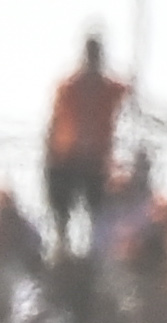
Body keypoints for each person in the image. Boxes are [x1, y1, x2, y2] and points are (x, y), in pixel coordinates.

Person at [42, 35, 128, 252]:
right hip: (67, 158)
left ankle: (92, 249)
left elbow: (128, 95)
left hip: (94, 160)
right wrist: (51, 151)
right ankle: (62, 247)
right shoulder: (69, 87)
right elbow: (55, 122)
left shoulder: (109, 88)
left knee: (96, 210)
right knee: (62, 208)